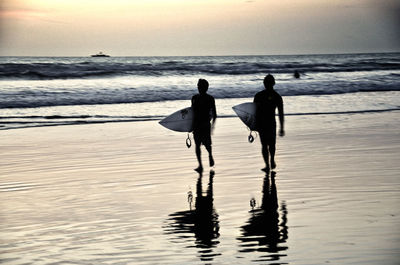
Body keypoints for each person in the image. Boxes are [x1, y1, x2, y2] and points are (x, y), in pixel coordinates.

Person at [254, 74, 284, 172]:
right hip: (271, 123)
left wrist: (253, 124)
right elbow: (281, 114)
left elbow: (253, 112)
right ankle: (271, 160)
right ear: (273, 83)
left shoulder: (258, 96)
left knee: (264, 145)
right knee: (272, 144)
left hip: (262, 123)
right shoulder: (277, 96)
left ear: (264, 83)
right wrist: (282, 127)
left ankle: (267, 164)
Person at [191, 79, 217, 173]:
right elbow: (191, 113)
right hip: (198, 124)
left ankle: (209, 156)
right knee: (198, 145)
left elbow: (214, 114)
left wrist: (212, 126)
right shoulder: (194, 98)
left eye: (200, 86)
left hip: (204, 124)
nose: (198, 87)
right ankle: (200, 165)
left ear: (205, 88)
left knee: (206, 144)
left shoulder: (209, 98)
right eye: (198, 86)